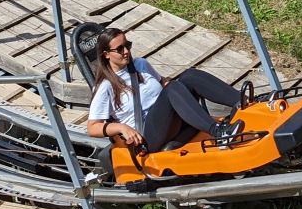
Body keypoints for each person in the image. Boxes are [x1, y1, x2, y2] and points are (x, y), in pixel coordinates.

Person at [87, 28, 244, 152]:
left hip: (171, 121)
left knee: (189, 75)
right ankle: (219, 133)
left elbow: (163, 83)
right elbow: (92, 127)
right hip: (148, 136)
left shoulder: (141, 64)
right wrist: (121, 127)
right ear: (107, 55)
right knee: (173, 88)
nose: (126, 51)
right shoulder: (105, 86)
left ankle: (246, 102)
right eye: (120, 49)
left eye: (127, 45)